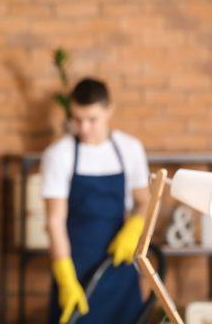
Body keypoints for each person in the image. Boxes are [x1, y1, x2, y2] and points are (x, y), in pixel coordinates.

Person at [40, 78, 150, 324]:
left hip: (120, 266)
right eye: (77, 119)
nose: (84, 128)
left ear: (110, 110)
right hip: (76, 270)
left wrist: (134, 229)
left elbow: (144, 200)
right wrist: (65, 277)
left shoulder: (130, 149)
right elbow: (54, 222)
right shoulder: (59, 155)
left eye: (92, 119)